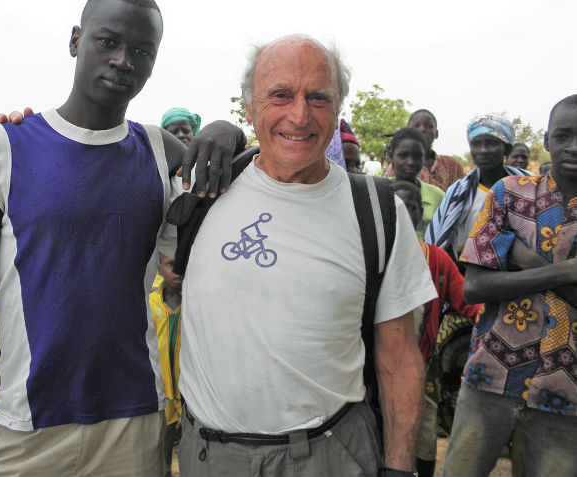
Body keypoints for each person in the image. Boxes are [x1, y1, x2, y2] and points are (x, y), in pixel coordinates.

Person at [0, 0, 243, 477]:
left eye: (142, 51)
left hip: (133, 426)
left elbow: (241, 182)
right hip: (23, 431)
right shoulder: (3, 148)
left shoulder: (161, 153)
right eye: (108, 41)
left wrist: (229, 129)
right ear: (76, 40)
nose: (122, 60)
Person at [177, 35, 437, 477]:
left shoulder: (377, 210)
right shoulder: (200, 188)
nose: (299, 115)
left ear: (337, 110)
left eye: (318, 98)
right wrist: (17, 126)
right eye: (280, 95)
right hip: (208, 457)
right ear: (249, 105)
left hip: (329, 457)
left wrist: (397, 469)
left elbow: (398, 357)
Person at [443, 95, 577, 477]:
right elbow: (475, 288)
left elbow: (493, 279)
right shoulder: (509, 194)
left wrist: (524, 260)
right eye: (564, 135)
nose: (574, 146)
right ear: (547, 139)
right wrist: (564, 272)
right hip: (492, 372)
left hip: (567, 390)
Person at [392, 181, 479, 477]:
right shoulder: (371, 253)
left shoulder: (437, 260)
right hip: (377, 362)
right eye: (398, 207)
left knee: (424, 427)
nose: (405, 214)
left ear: (421, 214)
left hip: (421, 362)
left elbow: (467, 301)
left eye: (412, 208)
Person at [425, 115, 532, 265]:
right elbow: (441, 239)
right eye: (476, 144)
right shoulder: (458, 192)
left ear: (507, 149)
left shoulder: (529, 189)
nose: (482, 150)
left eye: (491, 144)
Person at [149, 253, 183, 477]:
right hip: (161, 387)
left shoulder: (193, 295)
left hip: (187, 386)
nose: (177, 271)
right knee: (163, 451)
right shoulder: (150, 299)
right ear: (160, 267)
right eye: (171, 266)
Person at [386, 109, 465, 192]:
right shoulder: (398, 166)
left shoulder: (453, 166)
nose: (422, 129)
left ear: (436, 133)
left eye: (429, 126)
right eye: (416, 126)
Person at [388, 128, 445, 238]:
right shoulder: (377, 191)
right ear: (391, 157)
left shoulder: (438, 196)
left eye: (417, 156)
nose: (410, 162)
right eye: (403, 155)